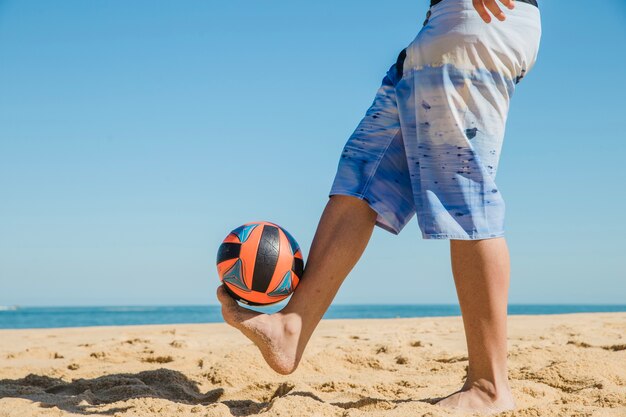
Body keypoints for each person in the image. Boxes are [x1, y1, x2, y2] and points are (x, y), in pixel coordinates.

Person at [217, 0, 542, 413]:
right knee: (362, 175)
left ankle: (489, 385)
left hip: (476, 24)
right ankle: (291, 327)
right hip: (440, 29)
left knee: (465, 192)